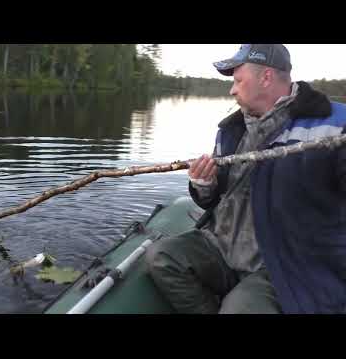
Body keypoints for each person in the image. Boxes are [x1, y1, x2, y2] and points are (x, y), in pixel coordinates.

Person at [146, 44, 346, 314]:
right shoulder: (230, 130)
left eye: (238, 81)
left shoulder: (335, 124)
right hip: (224, 246)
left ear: (266, 78)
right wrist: (203, 185)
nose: (231, 90)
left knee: (239, 308)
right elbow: (213, 200)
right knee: (162, 257)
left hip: (284, 259)